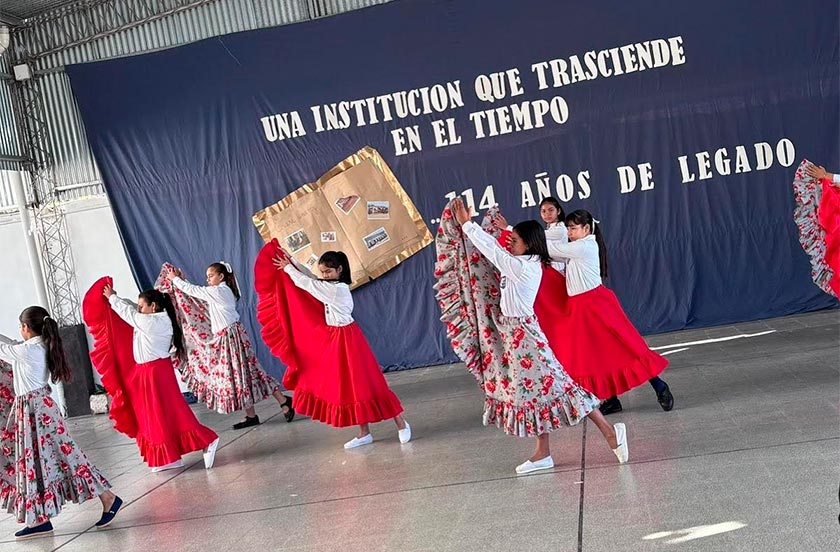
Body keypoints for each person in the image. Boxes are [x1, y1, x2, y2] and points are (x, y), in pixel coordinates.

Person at [439, 198, 628, 474]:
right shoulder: (521, 262)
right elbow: (497, 252)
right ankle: (543, 453)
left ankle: (610, 432)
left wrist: (468, 226)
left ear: (527, 244)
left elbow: (493, 250)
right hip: (516, 336)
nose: (510, 243)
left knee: (562, 388)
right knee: (533, 394)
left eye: (514, 240)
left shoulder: (523, 266)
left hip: (526, 337)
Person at [256, 243, 410, 449]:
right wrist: (292, 261)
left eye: (329, 271)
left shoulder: (338, 290)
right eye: (323, 272)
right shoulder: (329, 286)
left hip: (349, 339)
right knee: (350, 387)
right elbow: (311, 278)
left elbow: (308, 284)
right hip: (337, 339)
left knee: (369, 383)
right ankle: (364, 432)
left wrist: (288, 268)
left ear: (340, 270)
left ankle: (401, 423)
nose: (325, 275)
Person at [0, 306, 123, 539]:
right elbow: (10, 345)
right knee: (34, 463)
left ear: (26, 328)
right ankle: (39, 519)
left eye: (21, 326)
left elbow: (5, 348)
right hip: (36, 410)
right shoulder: (38, 345)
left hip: (36, 412)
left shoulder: (28, 351)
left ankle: (109, 497)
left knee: (69, 458)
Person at [545, 209, 672, 414]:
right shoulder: (575, 246)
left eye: (573, 228)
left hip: (596, 305)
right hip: (580, 308)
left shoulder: (584, 245)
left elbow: (549, 248)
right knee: (596, 354)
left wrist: (514, 232)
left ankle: (660, 386)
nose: (569, 232)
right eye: (568, 227)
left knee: (628, 347)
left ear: (586, 229)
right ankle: (611, 399)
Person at [101, 285, 220, 471]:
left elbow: (130, 314)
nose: (139, 309)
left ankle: (205, 441)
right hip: (151, 371)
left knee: (161, 414)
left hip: (155, 372)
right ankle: (172, 456)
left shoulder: (154, 322)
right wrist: (116, 298)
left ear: (153, 306)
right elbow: (132, 309)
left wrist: (112, 298)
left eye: (142, 306)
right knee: (163, 415)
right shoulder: (152, 318)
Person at [165, 262, 294, 429]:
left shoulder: (220, 291)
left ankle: (281, 402)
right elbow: (198, 293)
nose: (208, 279)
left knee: (247, 372)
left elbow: (196, 292)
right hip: (229, 337)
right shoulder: (219, 291)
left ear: (221, 276)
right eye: (207, 276)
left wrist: (175, 279)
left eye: (211, 276)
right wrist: (181, 281)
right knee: (242, 375)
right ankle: (255, 413)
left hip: (231, 337)